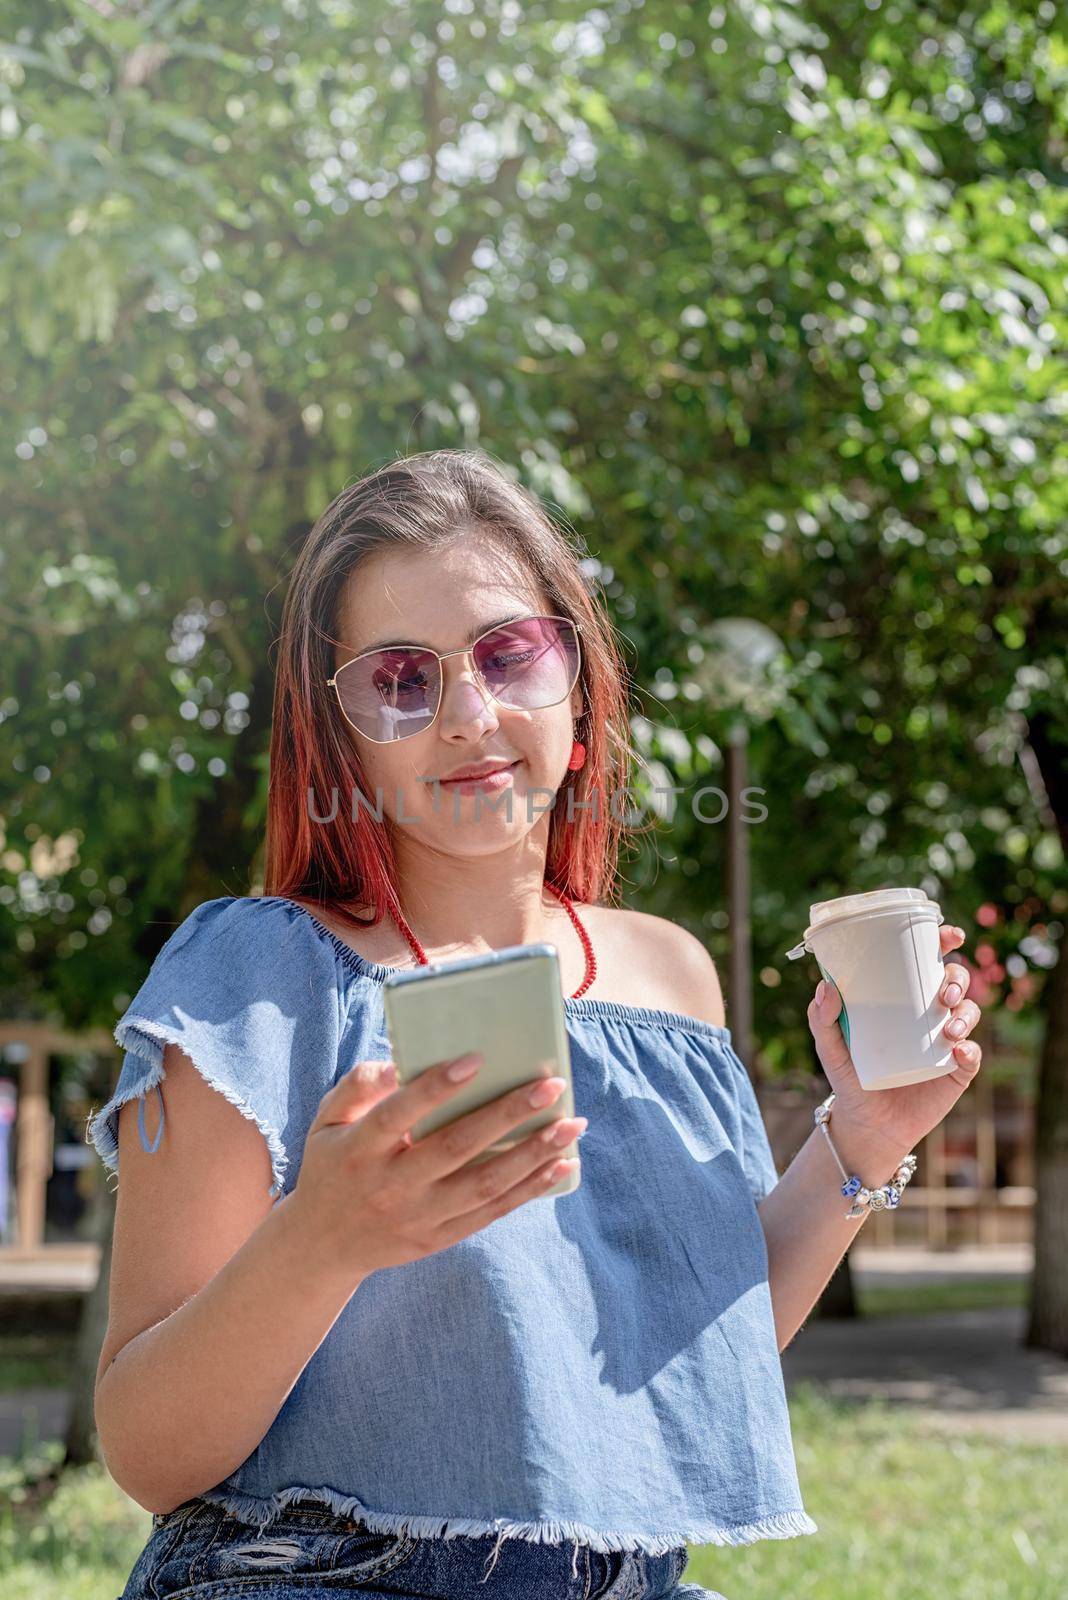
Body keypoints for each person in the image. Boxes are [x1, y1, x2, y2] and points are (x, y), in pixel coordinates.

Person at [86, 447, 819, 1599]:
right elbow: (146, 1448)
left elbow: (684, 1353)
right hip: (316, 1573)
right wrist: (326, 1239)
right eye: (400, 679)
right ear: (344, 739)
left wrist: (866, 1135)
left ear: (576, 681)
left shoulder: (669, 974)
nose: (471, 714)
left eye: (507, 653)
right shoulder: (260, 979)